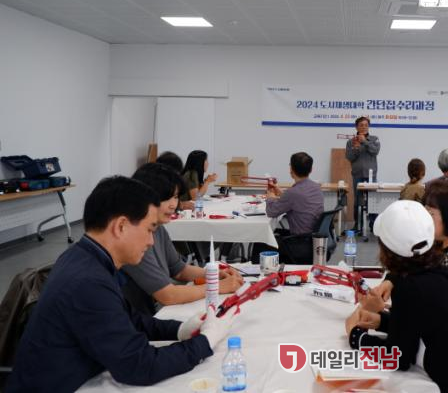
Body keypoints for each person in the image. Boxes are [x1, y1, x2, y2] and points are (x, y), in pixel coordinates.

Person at [6, 176, 236, 392]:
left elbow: (125, 320)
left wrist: (179, 329)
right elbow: (139, 366)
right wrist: (204, 343)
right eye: (149, 229)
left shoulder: (84, 256)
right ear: (121, 226)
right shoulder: (88, 282)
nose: (151, 241)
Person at [344, 200, 448, 393]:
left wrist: (356, 336)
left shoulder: (410, 287)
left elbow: (398, 358)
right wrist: (383, 322)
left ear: (386, 251)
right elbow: (430, 327)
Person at [121, 163, 243, 315]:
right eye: (167, 198)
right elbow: (168, 296)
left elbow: (179, 269)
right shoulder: (135, 237)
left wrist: (215, 275)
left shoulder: (159, 228)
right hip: (146, 317)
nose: (174, 205)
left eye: (176, 197)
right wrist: (218, 286)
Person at [374, 179, 448, 320]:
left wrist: (384, 318)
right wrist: (390, 280)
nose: (424, 219)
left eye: (430, 214)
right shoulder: (437, 241)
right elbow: (412, 264)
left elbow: (441, 317)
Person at [255, 152, 323, 263]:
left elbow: (271, 212)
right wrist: (281, 193)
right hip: (313, 240)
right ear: (311, 169)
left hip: (299, 244)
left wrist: (270, 197)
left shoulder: (293, 193)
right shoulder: (316, 187)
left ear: (291, 170)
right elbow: (299, 200)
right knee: (272, 233)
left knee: (260, 240)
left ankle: (255, 270)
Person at [345, 116, 380, 230]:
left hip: (371, 175)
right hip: (357, 174)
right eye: (361, 125)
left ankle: (373, 225)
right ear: (356, 127)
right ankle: (358, 225)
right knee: (358, 200)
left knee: (372, 200)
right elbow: (349, 157)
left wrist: (364, 141)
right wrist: (356, 148)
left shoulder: (374, 139)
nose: (364, 127)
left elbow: (375, 151)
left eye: (366, 125)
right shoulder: (351, 142)